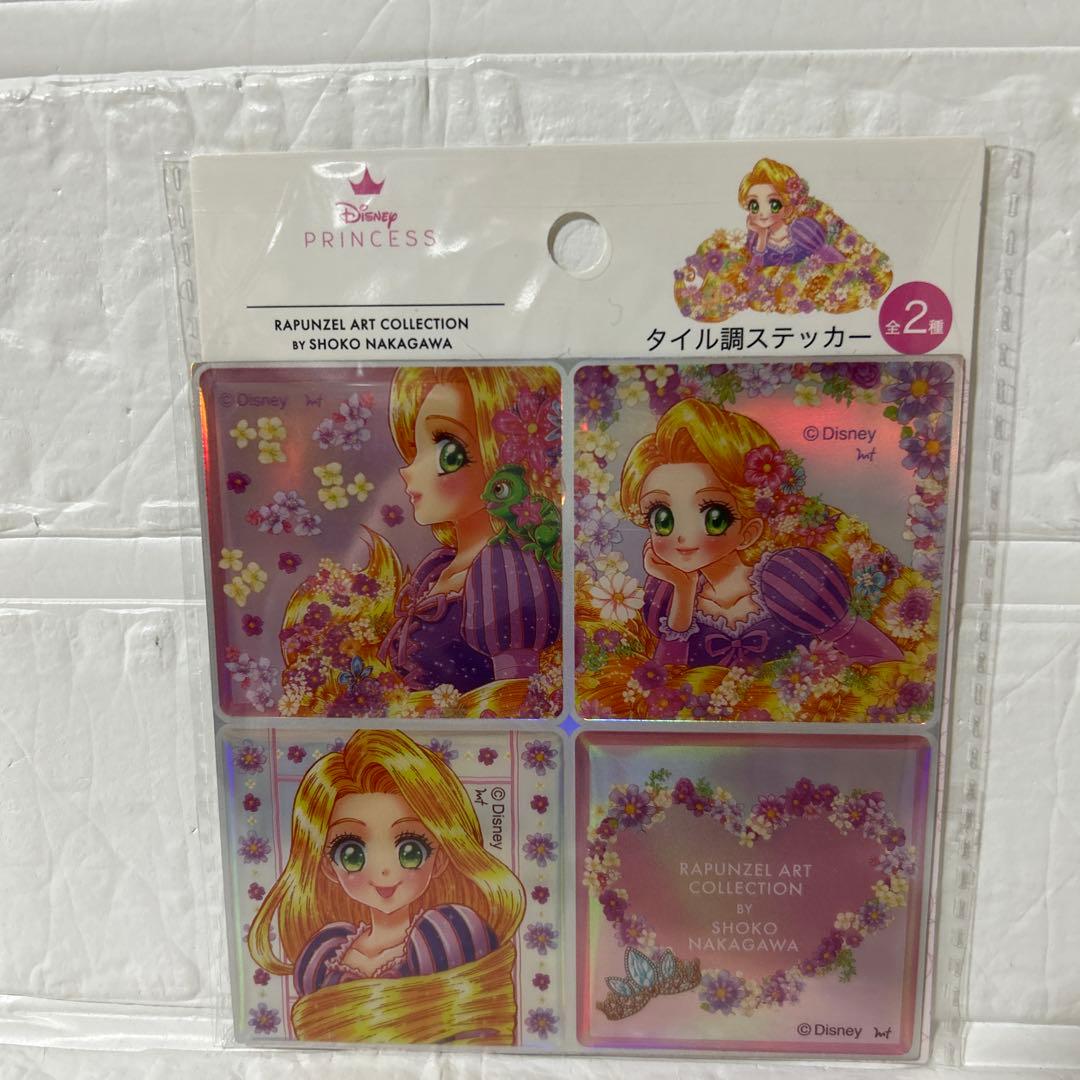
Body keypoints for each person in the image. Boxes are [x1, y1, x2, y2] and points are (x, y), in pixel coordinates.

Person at [279, 366, 562, 718]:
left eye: (448, 451)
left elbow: (516, 701)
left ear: (507, 458)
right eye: (414, 449)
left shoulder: (507, 570)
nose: (408, 470)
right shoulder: (437, 568)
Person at [248, 729, 525, 1043]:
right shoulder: (323, 955)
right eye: (351, 853)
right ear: (327, 866)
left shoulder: (448, 935)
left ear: (440, 859)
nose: (383, 870)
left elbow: (476, 1032)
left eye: (411, 850)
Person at [619, 398, 902, 670]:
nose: (682, 536)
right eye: (663, 519)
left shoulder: (789, 582)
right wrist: (684, 591)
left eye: (714, 517)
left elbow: (883, 657)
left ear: (749, 531)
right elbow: (665, 685)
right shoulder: (669, 595)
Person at [673, 157, 893, 323]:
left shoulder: (803, 228)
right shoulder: (756, 237)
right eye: (754, 205)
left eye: (773, 204)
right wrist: (760, 236)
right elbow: (757, 264)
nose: (762, 213)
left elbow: (829, 258)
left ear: (787, 206)